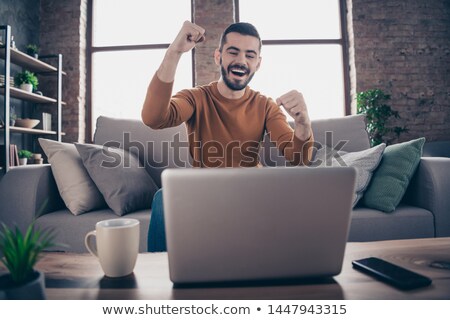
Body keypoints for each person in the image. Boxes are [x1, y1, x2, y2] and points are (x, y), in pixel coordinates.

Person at [141, 21, 314, 251]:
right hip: (203, 195)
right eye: (233, 52)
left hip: (254, 195)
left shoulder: (265, 106)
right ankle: (159, 275)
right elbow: (154, 118)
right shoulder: (195, 98)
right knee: (164, 197)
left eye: (250, 55)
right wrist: (174, 52)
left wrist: (303, 124)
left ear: (257, 64)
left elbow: (298, 158)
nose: (241, 61)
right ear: (218, 57)